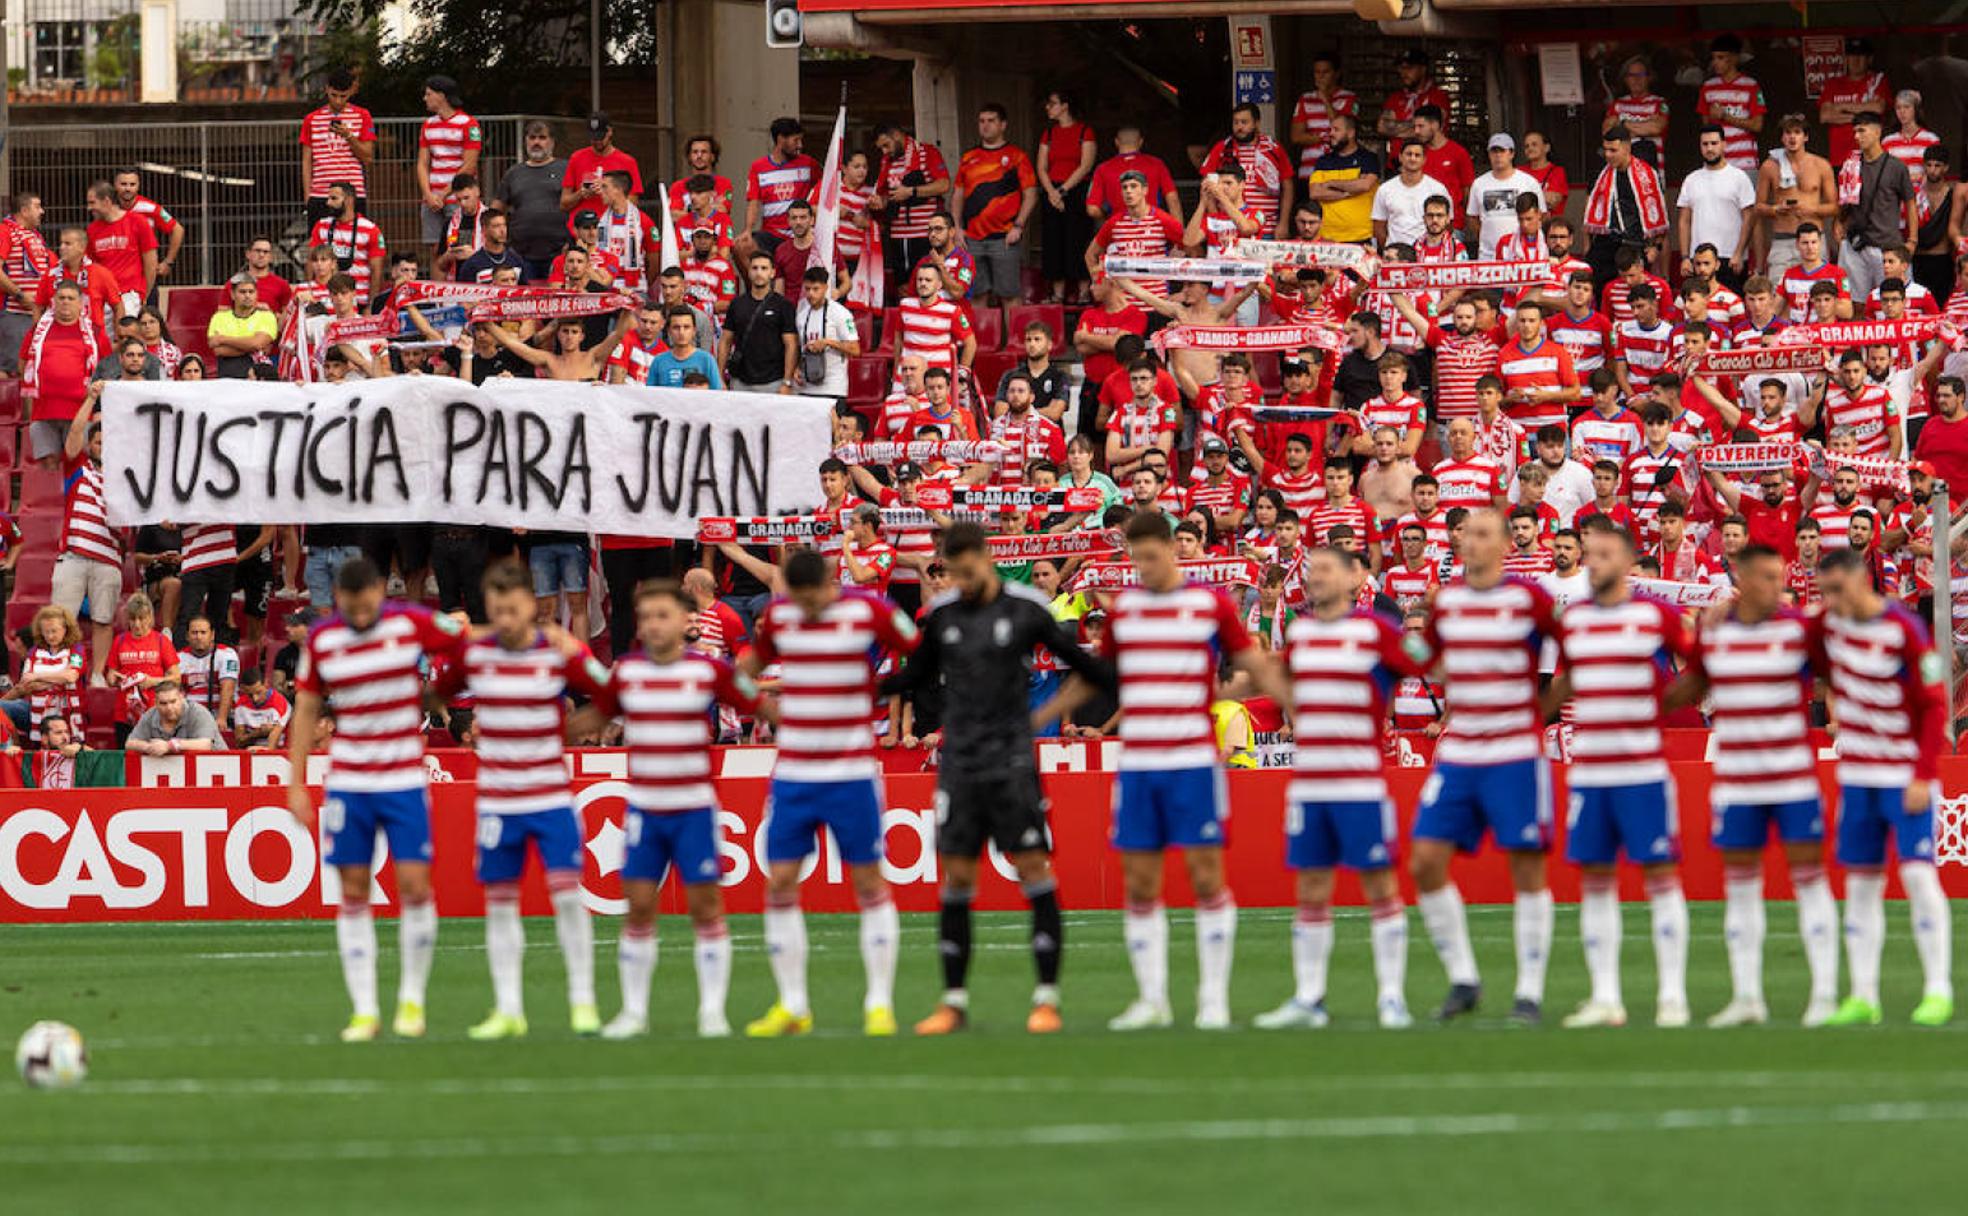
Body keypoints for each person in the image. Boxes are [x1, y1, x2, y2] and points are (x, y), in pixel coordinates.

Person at [1036, 512, 1290, 1031]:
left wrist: (1292, 699)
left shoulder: (1209, 604)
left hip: (1193, 760)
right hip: (1139, 763)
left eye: (1150, 557)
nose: (1143, 567)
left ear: (1173, 551)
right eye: (1135, 559)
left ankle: (1213, 998)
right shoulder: (1126, 611)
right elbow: (1099, 675)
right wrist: (1040, 717)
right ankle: (1152, 998)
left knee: (1204, 875)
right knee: (1141, 878)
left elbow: (1253, 663)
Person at [885, 523, 1114, 1035]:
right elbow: (911, 677)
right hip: (960, 764)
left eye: (968, 572)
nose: (961, 582)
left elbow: (1088, 667)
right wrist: (850, 684)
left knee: (1033, 869)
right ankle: (953, 1003)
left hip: (1011, 764)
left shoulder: (1026, 607)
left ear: (987, 559)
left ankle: (1047, 1001)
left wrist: (1045, 714)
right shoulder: (942, 617)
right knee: (958, 880)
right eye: (952, 573)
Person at [284, 556, 468, 1042]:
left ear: (380, 596)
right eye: (352, 607)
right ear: (339, 599)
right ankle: (365, 1009)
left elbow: (467, 640)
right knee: (353, 889)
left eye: (368, 607)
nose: (361, 616)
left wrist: (443, 692)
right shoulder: (324, 639)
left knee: (413, 886)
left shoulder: (411, 622)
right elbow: (305, 709)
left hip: (403, 779)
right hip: (349, 781)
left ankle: (412, 1000)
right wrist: (296, 780)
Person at [738, 550, 918, 1037]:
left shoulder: (869, 609)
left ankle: (879, 1003)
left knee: (868, 883)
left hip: (852, 772)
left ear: (830, 582)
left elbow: (919, 648)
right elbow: (746, 666)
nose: (808, 608)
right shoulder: (780, 615)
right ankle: (793, 1004)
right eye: (800, 600)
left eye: (814, 598)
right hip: (794, 771)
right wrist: (760, 703)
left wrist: (886, 688)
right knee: (779, 883)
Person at [429, 562, 606, 1040]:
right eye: (497, 610)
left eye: (514, 608)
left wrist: (570, 729)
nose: (506, 618)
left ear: (532, 606)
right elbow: (436, 695)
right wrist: (463, 727)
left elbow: (609, 693)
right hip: (498, 802)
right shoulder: (475, 655)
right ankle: (509, 1008)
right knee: (501, 904)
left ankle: (583, 1003)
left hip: (550, 797)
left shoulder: (557, 652)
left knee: (568, 898)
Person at [1253, 544, 1426, 1031]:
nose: (1315, 579)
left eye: (1325, 570)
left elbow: (1421, 660)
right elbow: (1282, 683)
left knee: (1379, 884)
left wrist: (1430, 641)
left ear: (1354, 577)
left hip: (1359, 782)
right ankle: (1309, 998)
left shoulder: (1377, 631)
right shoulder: (1302, 633)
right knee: (1310, 886)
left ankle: (1392, 997)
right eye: (1311, 572)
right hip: (1309, 782)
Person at [1666, 543, 1839, 1026]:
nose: (1776, 587)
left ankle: (1824, 994)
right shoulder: (1717, 636)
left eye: (1779, 577)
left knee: (1809, 880)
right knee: (1740, 885)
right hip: (1737, 779)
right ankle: (1747, 997)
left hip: (1791, 777)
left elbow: (1839, 673)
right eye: (1765, 577)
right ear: (1741, 578)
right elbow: (1689, 686)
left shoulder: (1800, 633)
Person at [589, 580, 763, 1039]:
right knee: (639, 908)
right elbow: (592, 718)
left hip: (693, 810)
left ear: (685, 621)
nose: (652, 625)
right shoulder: (625, 672)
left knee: (706, 907)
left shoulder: (709, 671)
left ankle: (712, 1013)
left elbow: (756, 700)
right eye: (645, 617)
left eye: (661, 615)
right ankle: (633, 1013)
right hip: (645, 810)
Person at [1411, 509, 1563, 1024]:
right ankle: (1464, 978)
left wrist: (1539, 713)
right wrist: (1396, 637)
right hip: (1459, 751)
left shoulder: (1528, 599)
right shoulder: (1447, 601)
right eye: (1464, 534)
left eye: (1480, 534)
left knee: (1526, 865)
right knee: (1425, 860)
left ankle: (1529, 992)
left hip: (1513, 753)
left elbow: (1573, 652)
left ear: (1503, 545)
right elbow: (1422, 654)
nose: (1467, 542)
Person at [1545, 525, 1693, 1029]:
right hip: (1590, 770)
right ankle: (1606, 997)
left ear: (1628, 560)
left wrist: (1662, 704)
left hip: (1642, 771)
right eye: (1592, 555)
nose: (1595, 562)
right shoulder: (1576, 621)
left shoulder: (1655, 616)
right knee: (1596, 879)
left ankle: (1672, 997)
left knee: (1659, 875)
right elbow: (1566, 680)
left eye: (1606, 554)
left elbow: (1699, 665)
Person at [1811, 547, 1954, 1026]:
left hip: (1902, 773)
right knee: (1861, 884)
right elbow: (1787, 627)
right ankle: (1864, 995)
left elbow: (1935, 706)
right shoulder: (1828, 627)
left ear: (1861, 580)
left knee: (1916, 875)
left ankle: (1938, 990)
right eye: (1824, 592)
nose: (1830, 601)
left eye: (1837, 590)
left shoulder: (1903, 628)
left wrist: (1925, 774)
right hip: (1857, 776)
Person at [954, 102, 1038, 308]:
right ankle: (981, 341)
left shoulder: (1017, 156)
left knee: (1009, 296)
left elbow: (1031, 194)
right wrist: (956, 228)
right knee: (976, 295)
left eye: (991, 121)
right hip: (971, 239)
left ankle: (1014, 341)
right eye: (982, 121)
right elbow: (958, 194)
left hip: (1005, 238)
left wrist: (1018, 226)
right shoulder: (968, 157)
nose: (985, 125)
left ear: (1003, 125)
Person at [23, 281, 111, 462]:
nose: (65, 302)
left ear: (80, 304)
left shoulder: (95, 333)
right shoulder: (37, 332)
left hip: (81, 413)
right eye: (61, 298)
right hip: (43, 411)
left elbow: (107, 370)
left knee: (79, 465)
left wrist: (98, 408)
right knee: (48, 470)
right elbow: (23, 365)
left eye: (71, 298)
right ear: (54, 301)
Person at [1839, 112, 1921, 302]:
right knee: (1855, 304)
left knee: (1893, 302)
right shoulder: (1851, 164)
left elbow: (1910, 203)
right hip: (1856, 244)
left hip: (1887, 246)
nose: (1856, 136)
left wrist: (1913, 240)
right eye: (1854, 132)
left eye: (1861, 131)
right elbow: (1844, 200)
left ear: (1877, 132)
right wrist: (1839, 222)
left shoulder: (1896, 166)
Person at [1756, 115, 1839, 283]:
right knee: (1778, 297)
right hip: (1783, 239)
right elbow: (1758, 207)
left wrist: (1812, 209)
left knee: (1820, 294)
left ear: (1806, 136)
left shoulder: (1821, 165)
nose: (1792, 137)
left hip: (1814, 240)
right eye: (1787, 132)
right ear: (1782, 137)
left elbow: (1835, 207)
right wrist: (1775, 209)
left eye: (1797, 132)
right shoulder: (1769, 166)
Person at [1583, 126, 1669, 289]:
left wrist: (1655, 247)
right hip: (1605, 243)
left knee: (1635, 296)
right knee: (1603, 293)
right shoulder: (1600, 174)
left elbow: (1659, 215)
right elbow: (1588, 212)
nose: (1608, 155)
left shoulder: (1647, 174)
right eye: (1606, 150)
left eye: (1613, 150)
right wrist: (1587, 248)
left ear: (1627, 147)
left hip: (1634, 244)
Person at [1200, 103, 1293, 238]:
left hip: (1267, 228)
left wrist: (1283, 223)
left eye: (1244, 122)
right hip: (1229, 228)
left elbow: (1288, 187)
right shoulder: (1222, 148)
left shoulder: (1273, 149)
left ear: (1256, 123)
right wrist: (1215, 219)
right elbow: (1207, 185)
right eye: (1236, 122)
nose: (1239, 127)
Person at [870, 121, 950, 280]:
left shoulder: (927, 152)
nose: (885, 151)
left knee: (928, 283)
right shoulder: (887, 161)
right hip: (898, 235)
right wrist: (881, 201)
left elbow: (944, 185)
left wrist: (912, 192)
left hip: (926, 233)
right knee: (902, 286)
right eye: (881, 148)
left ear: (897, 135)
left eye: (886, 145)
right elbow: (890, 195)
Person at [1677, 125, 1757, 282]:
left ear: (1724, 145)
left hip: (1731, 258)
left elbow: (1750, 218)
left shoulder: (1739, 177)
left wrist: (1739, 253)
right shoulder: (1691, 179)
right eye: (1705, 144)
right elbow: (1684, 221)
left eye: (1714, 143)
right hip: (1699, 260)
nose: (1709, 148)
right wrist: (1685, 257)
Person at [299, 66, 376, 224]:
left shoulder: (363, 116)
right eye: (334, 95)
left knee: (354, 243)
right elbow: (307, 160)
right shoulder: (311, 120)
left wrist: (349, 136)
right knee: (320, 246)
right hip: (321, 193)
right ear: (326, 89)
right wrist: (308, 195)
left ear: (351, 92)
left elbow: (368, 157)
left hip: (352, 192)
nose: (338, 101)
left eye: (343, 96)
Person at [415, 75, 481, 257]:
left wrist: (443, 193)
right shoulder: (428, 125)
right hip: (432, 197)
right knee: (436, 249)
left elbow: (469, 164)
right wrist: (428, 195)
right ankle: (437, 285)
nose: (425, 98)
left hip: (458, 195)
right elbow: (422, 163)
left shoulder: (468, 124)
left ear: (441, 96)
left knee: (460, 246)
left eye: (428, 94)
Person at [497, 121, 571, 280]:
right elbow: (497, 210)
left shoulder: (567, 168)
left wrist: (573, 242)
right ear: (525, 141)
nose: (536, 142)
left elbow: (576, 206)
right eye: (532, 137)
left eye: (542, 138)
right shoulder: (513, 173)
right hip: (521, 255)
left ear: (552, 141)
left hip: (561, 253)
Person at [720, 251, 798, 393]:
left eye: (764, 268)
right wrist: (719, 377)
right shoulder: (737, 304)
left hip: (774, 381)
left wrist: (787, 381)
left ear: (772, 273)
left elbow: (791, 345)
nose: (759, 273)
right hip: (740, 381)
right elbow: (725, 341)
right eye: (754, 268)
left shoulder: (783, 305)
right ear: (748, 272)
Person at [1302, 114, 1380, 246]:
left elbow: (1364, 185)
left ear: (1350, 133)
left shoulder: (1368, 159)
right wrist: (1348, 191)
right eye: (1330, 130)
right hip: (1326, 236)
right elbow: (1315, 192)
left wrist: (1331, 183)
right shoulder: (1323, 161)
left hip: (1361, 236)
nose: (1331, 134)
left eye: (1336, 130)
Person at [1696, 34, 1765, 175]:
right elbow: (1705, 129)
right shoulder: (1708, 87)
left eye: (1721, 57)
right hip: (1716, 162)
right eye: (1713, 58)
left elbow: (1757, 125)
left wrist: (1725, 117)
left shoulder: (1750, 86)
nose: (1715, 62)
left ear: (1734, 58)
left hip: (1745, 162)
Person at [1818, 37, 1892, 168]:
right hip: (1840, 158)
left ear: (1869, 59)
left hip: (1869, 158)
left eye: (1860, 56)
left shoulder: (1877, 81)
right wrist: (1859, 117)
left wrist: (1841, 107)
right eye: (1851, 56)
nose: (1855, 60)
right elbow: (1825, 116)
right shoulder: (1834, 84)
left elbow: (1878, 107)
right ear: (1846, 59)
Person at [84, 180, 156, 310]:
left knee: (126, 330)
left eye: (92, 203)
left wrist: (144, 293)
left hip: (130, 296)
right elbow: (91, 265)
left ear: (106, 201)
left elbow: (150, 262)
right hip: (103, 297)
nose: (89, 208)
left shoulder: (138, 222)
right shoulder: (92, 230)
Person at [0, 191, 51, 371]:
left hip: (36, 314)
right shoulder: (5, 231)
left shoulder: (35, 235)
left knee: (34, 367)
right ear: (24, 210)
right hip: (14, 313)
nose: (42, 211)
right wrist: (20, 295)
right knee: (13, 369)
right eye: (37, 207)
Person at [309, 180, 387, 297]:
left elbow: (377, 272)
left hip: (360, 299)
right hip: (327, 299)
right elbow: (311, 262)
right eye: (328, 198)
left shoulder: (370, 230)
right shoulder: (321, 226)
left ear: (349, 200)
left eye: (334, 198)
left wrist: (370, 306)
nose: (328, 203)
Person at [560, 111, 641, 222]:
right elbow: (564, 204)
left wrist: (608, 192)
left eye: (600, 137)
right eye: (593, 138)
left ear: (610, 132)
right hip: (582, 230)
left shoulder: (627, 162)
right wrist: (581, 193)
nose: (597, 141)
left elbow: (633, 203)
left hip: (612, 228)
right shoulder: (577, 158)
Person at [1289, 52, 1358, 178]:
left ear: (1337, 74)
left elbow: (1345, 131)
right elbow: (1296, 137)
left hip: (1341, 171)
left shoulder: (1349, 97)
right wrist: (1327, 137)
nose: (1320, 77)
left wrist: (1325, 99)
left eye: (1325, 72)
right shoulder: (1305, 99)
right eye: (1317, 72)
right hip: (1310, 171)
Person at [1372, 141, 1449, 249]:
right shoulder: (1385, 189)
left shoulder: (1437, 189)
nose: (1413, 158)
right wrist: (1390, 251)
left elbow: (1446, 224)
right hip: (1396, 254)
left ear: (1424, 159)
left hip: (1428, 252)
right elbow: (1379, 227)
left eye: (1417, 155)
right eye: (1409, 154)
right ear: (1400, 157)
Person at [1466, 134, 1532, 259]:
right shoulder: (1479, 184)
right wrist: (1485, 235)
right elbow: (1472, 217)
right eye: (1494, 151)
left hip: (1521, 254)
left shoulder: (1528, 182)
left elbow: (1541, 216)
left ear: (1511, 154)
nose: (1498, 155)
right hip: (1488, 255)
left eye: (1502, 151)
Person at [1377, 48, 1451, 156]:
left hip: (1428, 163)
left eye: (1409, 67)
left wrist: (1397, 127)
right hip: (1397, 164)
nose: (1403, 72)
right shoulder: (1395, 98)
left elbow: (1433, 130)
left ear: (1423, 69)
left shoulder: (1438, 97)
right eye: (1401, 68)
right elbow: (1382, 127)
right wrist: (1421, 127)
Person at [1604, 56, 1669, 171]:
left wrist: (1623, 124)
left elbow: (1656, 128)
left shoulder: (1659, 103)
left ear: (1649, 77)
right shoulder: (1618, 104)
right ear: (1626, 79)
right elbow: (1607, 132)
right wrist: (1644, 128)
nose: (1636, 79)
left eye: (1641, 75)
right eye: (1631, 75)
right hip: (1621, 170)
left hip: (1651, 170)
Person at [205, 275, 277, 378]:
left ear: (256, 294)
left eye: (251, 292)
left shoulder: (267, 316)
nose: (247, 295)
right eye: (242, 292)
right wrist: (252, 347)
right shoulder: (219, 317)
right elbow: (219, 350)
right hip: (228, 378)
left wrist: (222, 339)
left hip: (257, 381)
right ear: (232, 295)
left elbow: (256, 344)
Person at [125, 679, 222, 755]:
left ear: (182, 697)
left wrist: (169, 746)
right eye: (163, 703)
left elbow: (205, 745)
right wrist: (150, 747)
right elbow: (129, 743)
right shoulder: (151, 714)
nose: (169, 708)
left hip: (218, 769)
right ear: (156, 703)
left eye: (173, 701)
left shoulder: (198, 712)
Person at [176, 613, 239, 728]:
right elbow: (175, 691)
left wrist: (221, 718)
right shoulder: (179, 657)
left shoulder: (227, 654)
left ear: (212, 635)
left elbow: (228, 688)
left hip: (219, 717)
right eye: (194, 633)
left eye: (203, 632)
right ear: (187, 636)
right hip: (190, 718)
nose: (199, 637)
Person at [232, 666, 290, 750]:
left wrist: (251, 738)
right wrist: (258, 733)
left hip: (279, 753)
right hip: (250, 752)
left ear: (266, 684)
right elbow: (239, 742)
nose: (255, 698)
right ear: (243, 689)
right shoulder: (240, 705)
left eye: (258, 692)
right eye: (250, 695)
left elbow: (272, 745)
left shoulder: (280, 703)